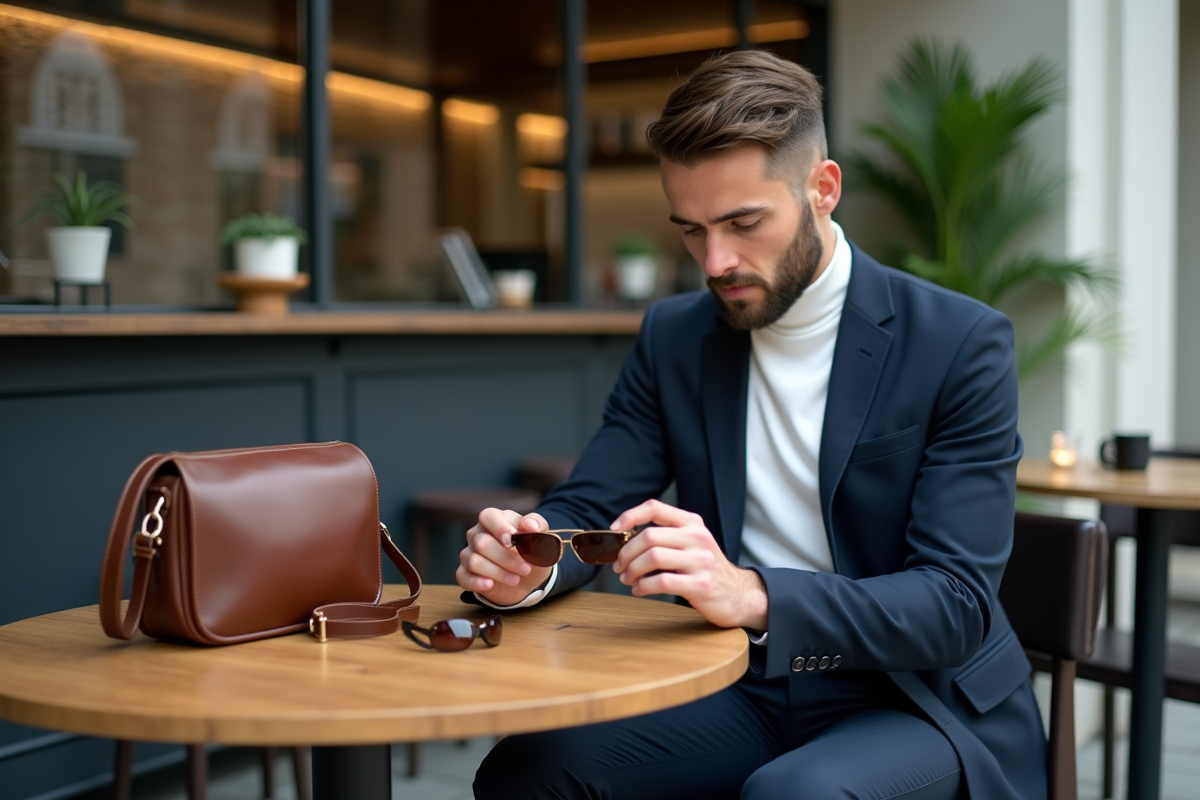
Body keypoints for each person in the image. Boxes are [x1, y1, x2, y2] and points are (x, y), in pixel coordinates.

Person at [457, 49, 1046, 800]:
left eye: (743, 223)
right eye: (692, 230)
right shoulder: (674, 336)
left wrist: (753, 594)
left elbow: (955, 603)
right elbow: (586, 508)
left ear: (822, 189)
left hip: (921, 699)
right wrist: (529, 562)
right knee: (528, 772)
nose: (717, 260)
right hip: (742, 679)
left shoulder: (960, 342)